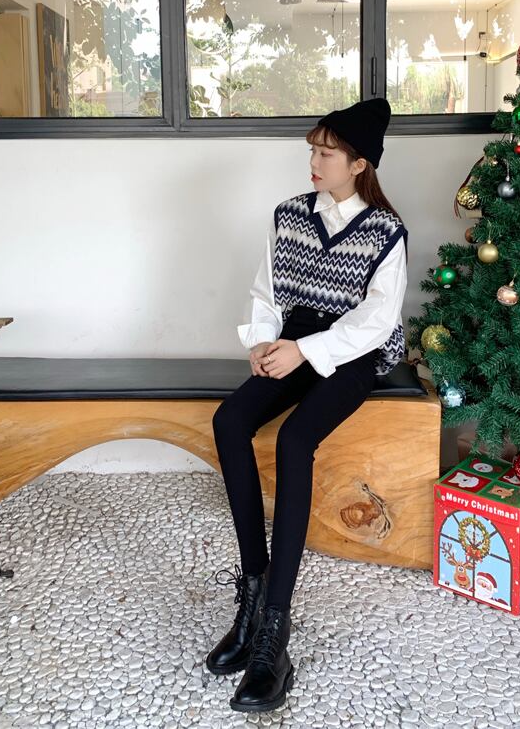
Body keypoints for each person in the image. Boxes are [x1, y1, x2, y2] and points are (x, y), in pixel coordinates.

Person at [208, 97, 408, 713]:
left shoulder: (385, 231)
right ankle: (252, 592)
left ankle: (275, 631)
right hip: (293, 340)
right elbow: (267, 290)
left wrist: (304, 351)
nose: (315, 161)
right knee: (229, 420)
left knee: (295, 441)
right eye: (313, 150)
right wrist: (263, 341)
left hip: (353, 354)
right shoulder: (290, 215)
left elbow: (376, 322)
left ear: (359, 163)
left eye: (327, 153)